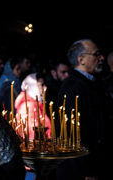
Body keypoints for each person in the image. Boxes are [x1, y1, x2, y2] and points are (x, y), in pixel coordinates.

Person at [56, 39, 106, 180]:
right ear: (81, 59)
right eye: (96, 54)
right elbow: (72, 134)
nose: (101, 58)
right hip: (81, 171)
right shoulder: (74, 87)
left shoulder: (89, 84)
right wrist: (87, 170)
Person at [14, 73, 51, 140]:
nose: (45, 88)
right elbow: (31, 134)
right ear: (33, 87)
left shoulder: (35, 104)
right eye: (42, 85)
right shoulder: (28, 106)